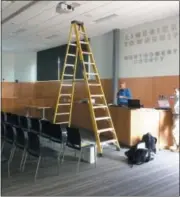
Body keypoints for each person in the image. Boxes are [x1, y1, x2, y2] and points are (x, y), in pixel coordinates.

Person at [170, 88, 179, 152]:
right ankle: (176, 146)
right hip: (176, 114)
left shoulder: (178, 95)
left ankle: (177, 146)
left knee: (174, 131)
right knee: (175, 131)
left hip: (177, 115)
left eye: (176, 91)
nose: (174, 92)